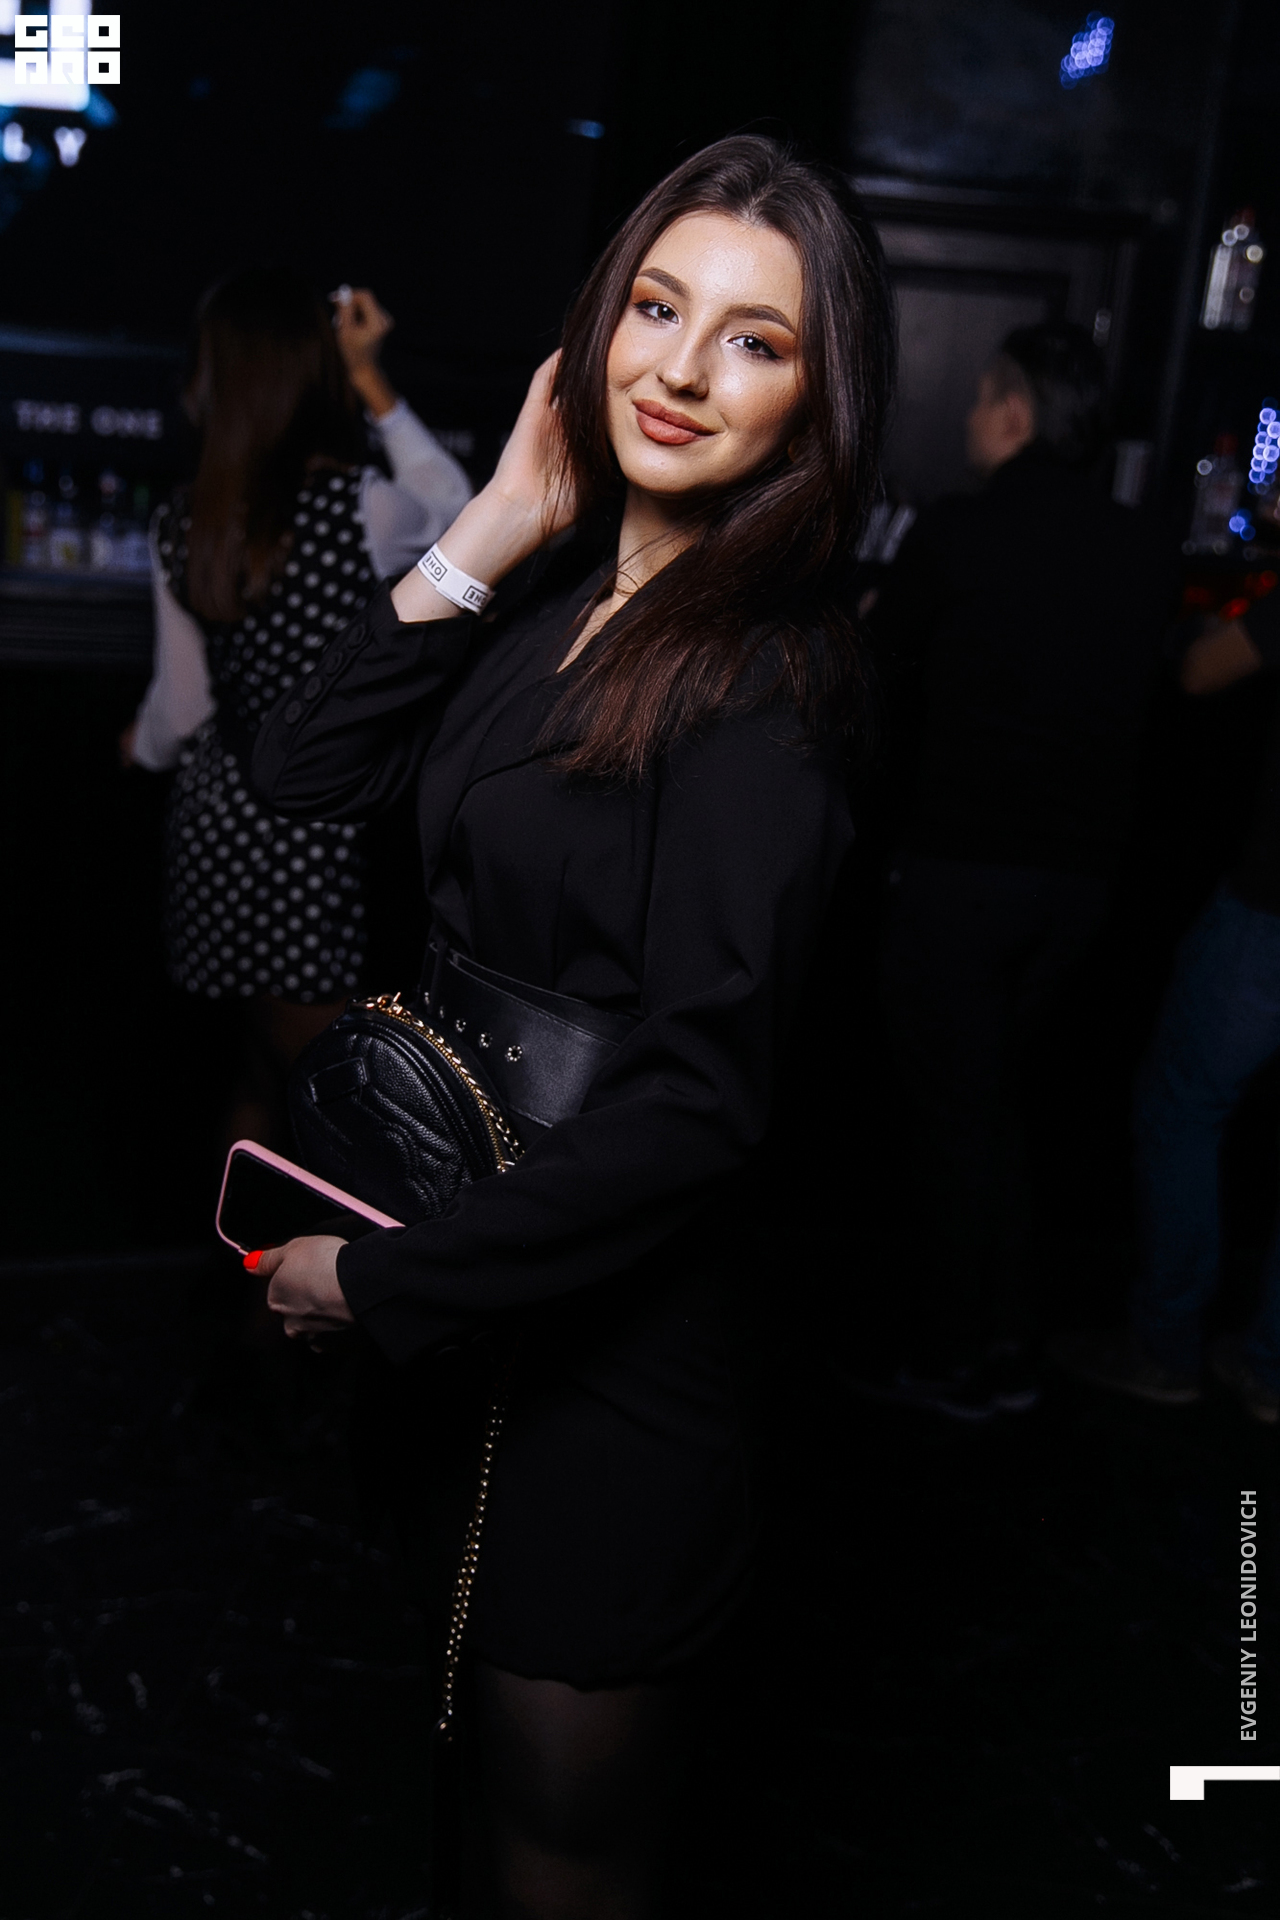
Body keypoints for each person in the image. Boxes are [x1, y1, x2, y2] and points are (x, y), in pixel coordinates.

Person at [245, 136, 894, 1916]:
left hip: (608, 1370)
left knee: (563, 1851)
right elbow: (300, 767)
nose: (680, 370)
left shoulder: (765, 680)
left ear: (820, 399)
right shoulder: (559, 607)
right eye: (657, 309)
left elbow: (699, 1105)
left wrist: (388, 1284)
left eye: (754, 340)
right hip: (482, 1316)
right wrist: (498, 521)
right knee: (471, 1797)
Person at [867, 323, 1179, 1421]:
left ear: (1014, 410)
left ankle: (954, 1358)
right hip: (1081, 887)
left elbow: (879, 684)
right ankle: (1004, 1343)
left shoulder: (959, 532)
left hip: (963, 869)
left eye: (980, 398)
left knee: (953, 1116)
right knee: (999, 1105)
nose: (966, 417)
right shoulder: (1143, 545)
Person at [122, 269, 471, 1139]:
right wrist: (371, 378)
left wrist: (136, 747)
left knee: (260, 1070)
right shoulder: (364, 510)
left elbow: (181, 709)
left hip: (218, 824)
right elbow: (463, 512)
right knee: (338, 1104)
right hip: (313, 827)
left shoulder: (183, 522)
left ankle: (237, 1226)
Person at [1052, 584, 1280, 1424]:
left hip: (1271, 913)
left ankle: (1165, 1345)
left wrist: (1202, 628)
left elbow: (1202, 670)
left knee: (1180, 1108)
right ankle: (1270, 1370)